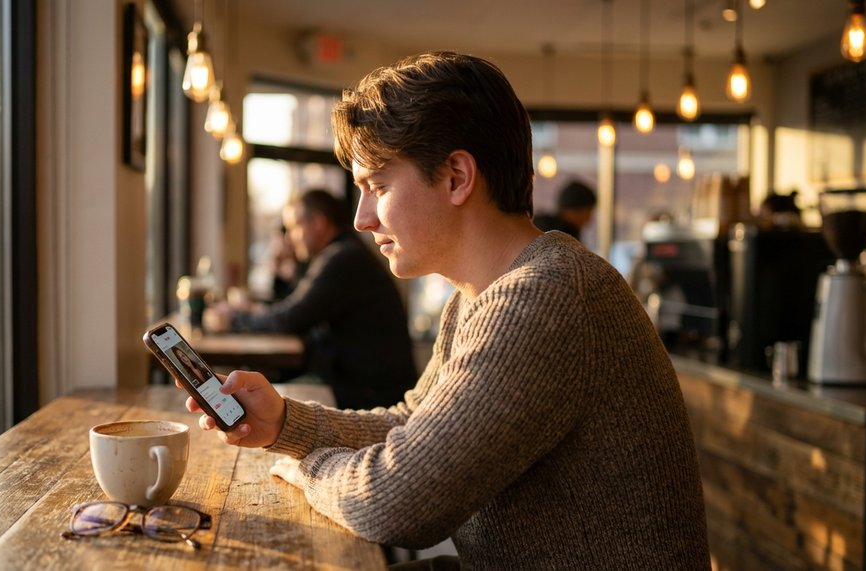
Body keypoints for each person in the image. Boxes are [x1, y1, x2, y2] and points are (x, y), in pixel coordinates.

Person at [183, 52, 709, 569]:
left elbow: (393, 502)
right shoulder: (477, 296)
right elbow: (412, 425)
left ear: (457, 176)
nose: (362, 219)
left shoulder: (544, 296)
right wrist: (284, 423)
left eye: (378, 186)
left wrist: (310, 470)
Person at [207, 189, 417, 410]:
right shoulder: (340, 253)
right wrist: (279, 272)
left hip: (369, 394)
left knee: (253, 401)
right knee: (259, 390)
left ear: (317, 223)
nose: (289, 237)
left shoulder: (343, 258)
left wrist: (233, 320)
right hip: (357, 382)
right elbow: (294, 303)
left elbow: (290, 318)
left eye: (294, 227)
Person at [532, 178, 597, 241]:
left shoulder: (542, 228)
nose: (589, 218)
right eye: (588, 211)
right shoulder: (561, 237)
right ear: (573, 210)